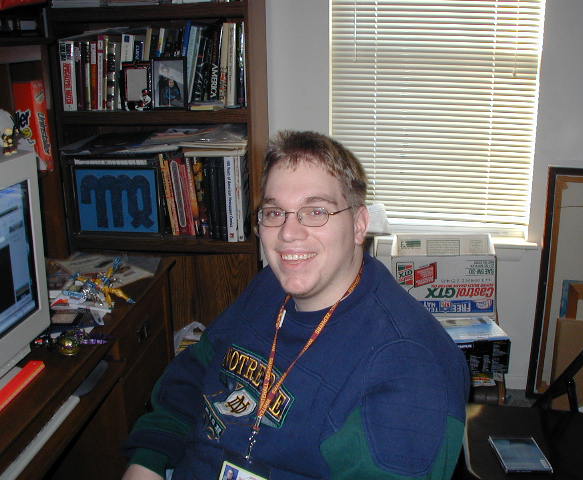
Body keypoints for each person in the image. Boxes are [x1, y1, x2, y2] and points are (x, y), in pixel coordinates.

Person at [122, 130, 470, 480]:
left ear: (358, 224)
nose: (288, 233)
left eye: (315, 211)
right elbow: (194, 374)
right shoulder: (270, 286)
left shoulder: (409, 364)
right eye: (275, 212)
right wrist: (148, 461)